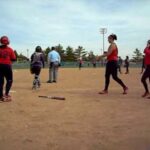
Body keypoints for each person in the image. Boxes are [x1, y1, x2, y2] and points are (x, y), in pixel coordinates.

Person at [0, 36, 16, 102]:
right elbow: (14, 59)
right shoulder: (10, 49)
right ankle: (6, 94)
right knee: (9, 80)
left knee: (0, 82)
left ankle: (0, 96)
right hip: (7, 66)